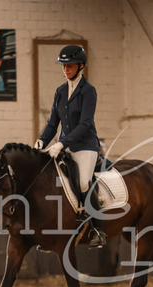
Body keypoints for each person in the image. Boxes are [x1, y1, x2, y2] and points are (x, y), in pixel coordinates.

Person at [34, 45, 106, 248]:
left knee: (83, 183)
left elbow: (85, 124)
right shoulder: (60, 91)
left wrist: (61, 143)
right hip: (63, 146)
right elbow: (52, 124)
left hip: (85, 146)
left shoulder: (88, 91)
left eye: (70, 66)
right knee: (50, 181)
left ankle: (98, 229)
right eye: (63, 66)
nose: (66, 69)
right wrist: (41, 141)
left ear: (80, 66)